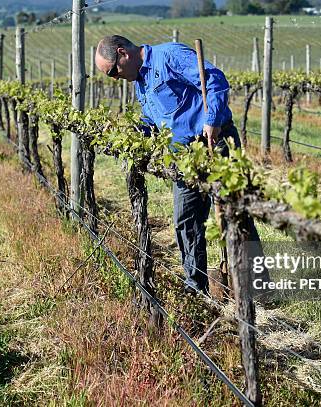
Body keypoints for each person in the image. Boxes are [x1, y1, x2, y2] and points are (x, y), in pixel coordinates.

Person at [95, 35, 263, 297]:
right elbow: (151, 122)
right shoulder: (141, 83)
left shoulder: (169, 56)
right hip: (184, 157)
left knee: (234, 211)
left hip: (214, 141)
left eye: (113, 72)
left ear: (122, 53)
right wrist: (125, 133)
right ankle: (196, 288)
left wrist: (212, 119)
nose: (115, 78)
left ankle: (255, 285)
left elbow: (215, 79)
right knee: (186, 219)